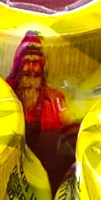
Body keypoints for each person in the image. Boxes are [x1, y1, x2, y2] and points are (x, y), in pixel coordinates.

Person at [8, 31, 75, 187]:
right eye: (26, 75)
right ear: (18, 73)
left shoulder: (55, 100)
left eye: (35, 75)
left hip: (48, 176)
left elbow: (71, 130)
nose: (31, 82)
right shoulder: (5, 95)